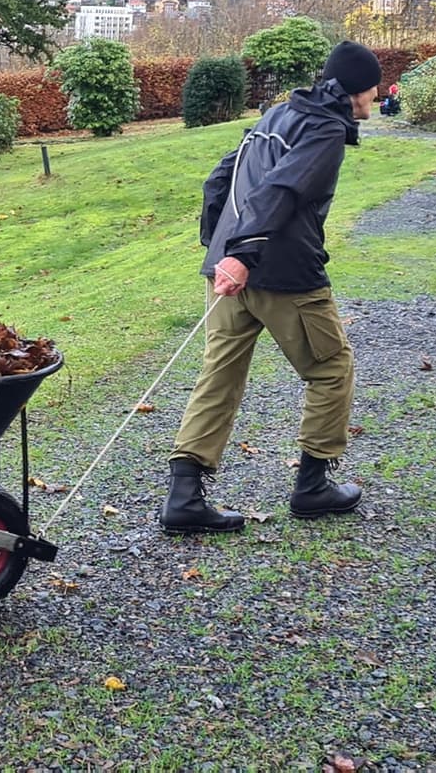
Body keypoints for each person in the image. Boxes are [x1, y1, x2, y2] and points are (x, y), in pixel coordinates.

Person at [160, 41, 381, 534]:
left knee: (219, 375)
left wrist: (219, 246)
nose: (376, 97)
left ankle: (183, 499)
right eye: (373, 89)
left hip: (230, 268)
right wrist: (242, 253)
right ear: (355, 90)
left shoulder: (277, 113)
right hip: (281, 273)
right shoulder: (324, 128)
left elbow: (221, 178)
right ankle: (313, 487)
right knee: (331, 368)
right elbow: (282, 189)